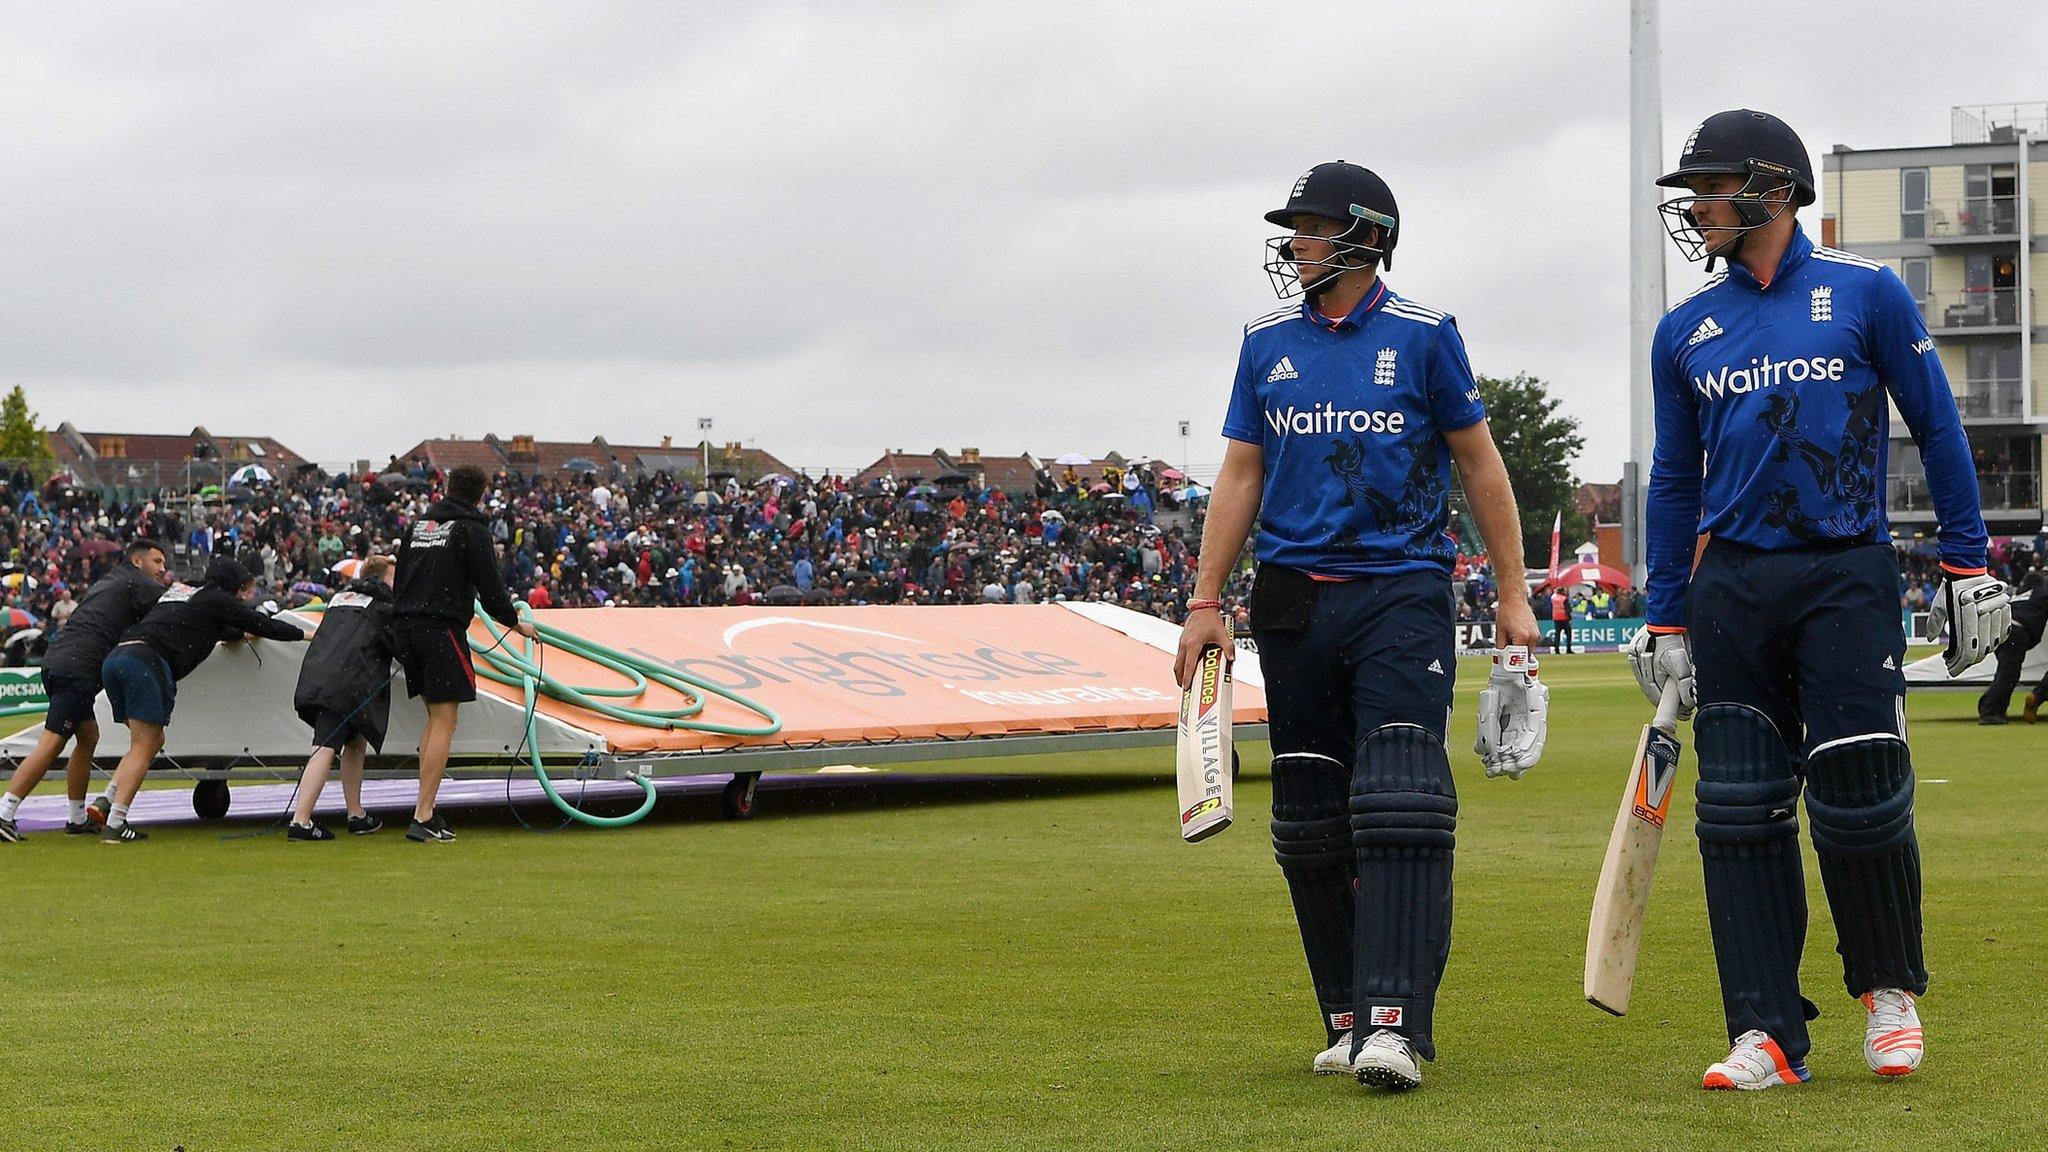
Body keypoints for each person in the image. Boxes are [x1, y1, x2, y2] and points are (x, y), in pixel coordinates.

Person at [1630, 109, 2007, 1089]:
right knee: (1737, 812)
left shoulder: (1864, 294)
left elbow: (1936, 427)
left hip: (1844, 572)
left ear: (1773, 187)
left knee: (1856, 799)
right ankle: (1762, 1033)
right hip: (1732, 589)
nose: (1697, 206)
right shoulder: (1684, 331)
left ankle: (1886, 993)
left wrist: (1966, 565)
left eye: (1710, 187)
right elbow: (1674, 480)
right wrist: (1663, 612)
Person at [1175, 160, 1546, 1092]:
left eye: (1307, 226)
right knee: (1307, 821)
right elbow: (1242, 474)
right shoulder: (1265, 341)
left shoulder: (1424, 336)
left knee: (1400, 803)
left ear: (1362, 236)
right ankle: (1343, 1013)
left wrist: (1514, 592)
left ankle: (1397, 1023)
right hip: (1295, 596)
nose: (1292, 242)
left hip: (1401, 590)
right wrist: (1205, 600)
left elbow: (1480, 465)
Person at [97, 557, 313, 842]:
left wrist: (235, 633)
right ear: (232, 584)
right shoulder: (218, 599)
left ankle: (106, 799)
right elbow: (262, 624)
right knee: (145, 744)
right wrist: (306, 634)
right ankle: (116, 822)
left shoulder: (187, 595)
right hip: (147, 660)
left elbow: (204, 627)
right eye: (243, 590)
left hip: (117, 658)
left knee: (147, 742)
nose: (244, 597)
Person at [391, 465, 534, 843]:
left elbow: (401, 575)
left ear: (448, 488)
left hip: (408, 627)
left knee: (432, 717)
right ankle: (422, 815)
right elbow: (490, 585)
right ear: (480, 493)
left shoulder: (419, 526)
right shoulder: (472, 530)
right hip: (441, 629)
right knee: (444, 720)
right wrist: (514, 621)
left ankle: (427, 810)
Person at [0, 540, 169, 843]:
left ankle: (77, 817)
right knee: (52, 741)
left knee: (88, 736)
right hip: (78, 667)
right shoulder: (136, 582)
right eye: (157, 562)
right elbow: (175, 605)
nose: (162, 569)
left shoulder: (110, 581)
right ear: (137, 562)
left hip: (62, 661)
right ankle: (4, 812)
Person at [286, 555, 398, 840]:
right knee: (325, 747)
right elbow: (399, 644)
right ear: (382, 578)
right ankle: (301, 821)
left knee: (355, 743)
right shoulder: (382, 605)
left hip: (321, 675)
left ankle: (356, 813)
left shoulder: (340, 599)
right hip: (346, 684)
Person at [1977, 570, 2048, 724]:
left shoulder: (2019, 594)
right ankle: (1990, 712)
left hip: (1998, 628)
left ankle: (1989, 705)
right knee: (2008, 674)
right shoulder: (2042, 592)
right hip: (2017, 631)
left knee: (2005, 672)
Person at [1549, 587, 1573, 653]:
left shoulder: (1554, 599)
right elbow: (1568, 610)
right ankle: (1568, 649)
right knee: (1568, 634)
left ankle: (1557, 649)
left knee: (1557, 635)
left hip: (1556, 618)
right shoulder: (1564, 599)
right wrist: (1570, 618)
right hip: (1564, 618)